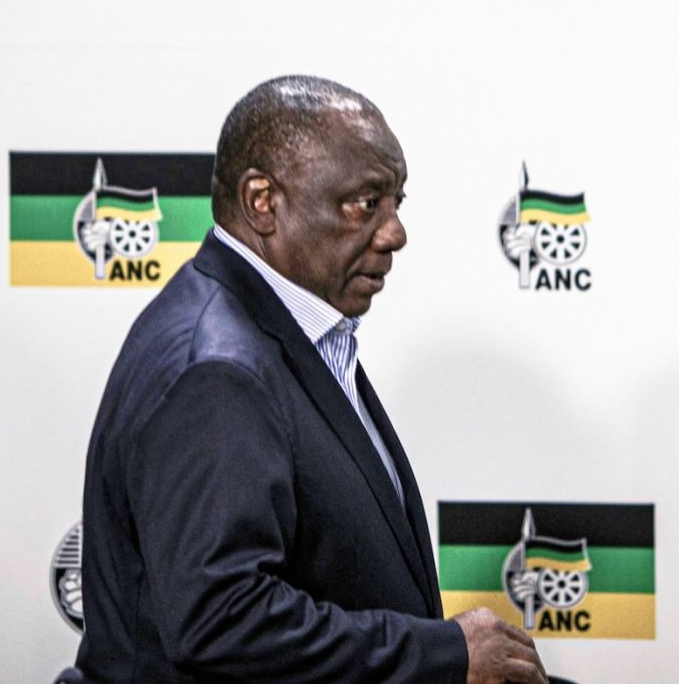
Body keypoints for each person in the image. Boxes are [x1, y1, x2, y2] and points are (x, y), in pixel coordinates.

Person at [73, 76, 547, 683]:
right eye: (364, 203)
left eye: (397, 202)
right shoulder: (219, 368)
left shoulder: (283, 328)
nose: (394, 232)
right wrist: (442, 654)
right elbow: (221, 618)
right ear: (262, 202)